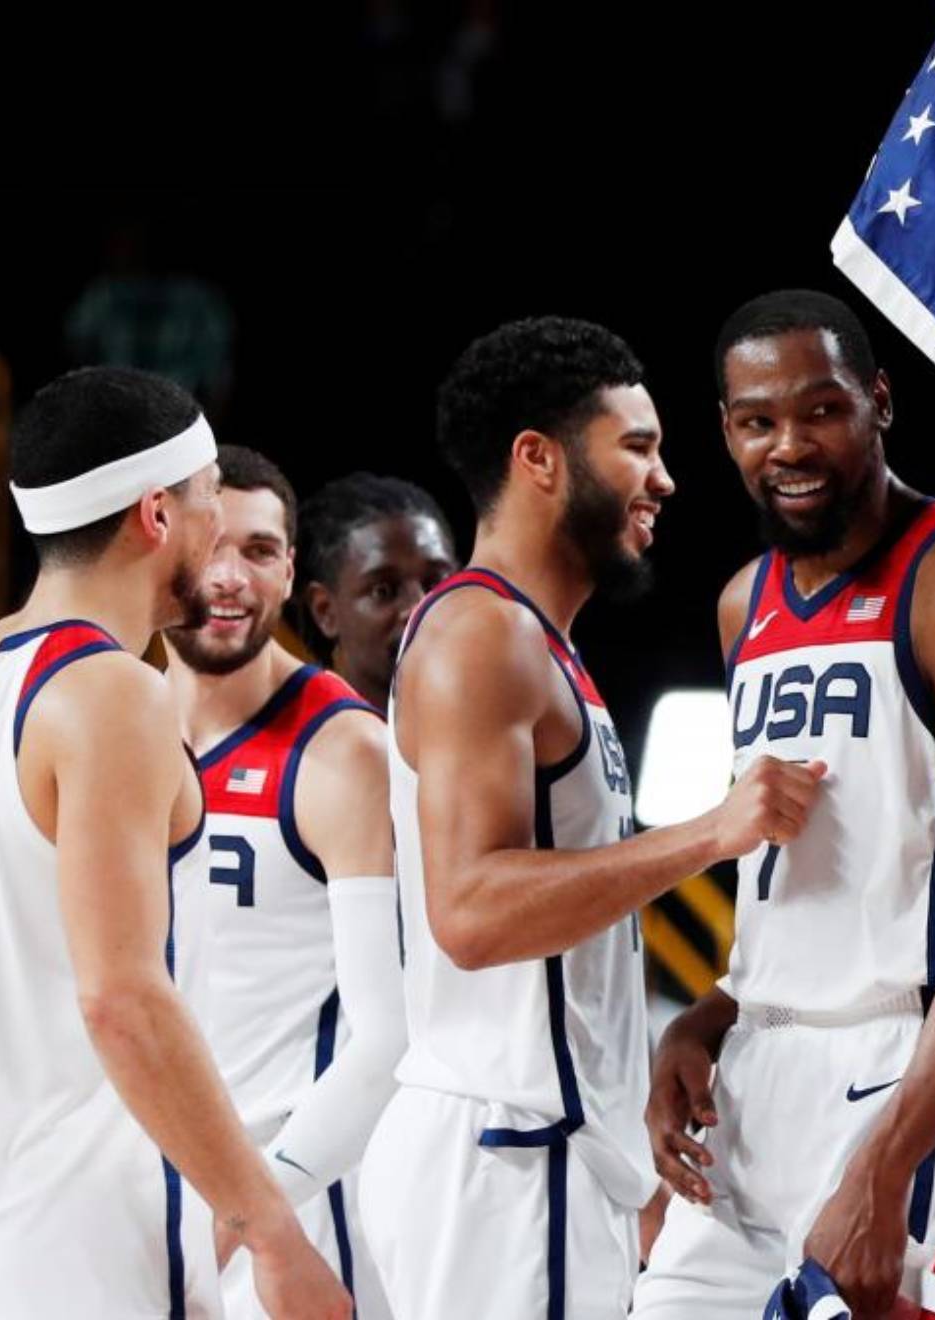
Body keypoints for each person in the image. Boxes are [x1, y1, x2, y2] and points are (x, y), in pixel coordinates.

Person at [360, 317, 822, 1318]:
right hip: (503, 1154)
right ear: (538, 458)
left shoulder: (538, 642)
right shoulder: (480, 634)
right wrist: (712, 831)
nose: (665, 481)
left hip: (538, 1155)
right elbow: (474, 913)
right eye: (638, 447)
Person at [0, 366, 347, 1317]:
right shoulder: (111, 692)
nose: (219, 528)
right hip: (91, 1257)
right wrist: (269, 1223)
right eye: (211, 496)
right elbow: (123, 998)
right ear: (156, 514)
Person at [634, 289, 935, 1318]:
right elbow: (814, 880)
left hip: (907, 1066)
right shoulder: (744, 604)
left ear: (878, 402)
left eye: (820, 409)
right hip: (758, 1070)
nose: (790, 443)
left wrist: (887, 1163)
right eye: (756, 420)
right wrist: (706, 1018)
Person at [161, 445, 405, 1318]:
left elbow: (386, 1041)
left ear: (292, 569)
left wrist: (250, 1210)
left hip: (296, 1214)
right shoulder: (113, 727)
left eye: (260, 552)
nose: (230, 578)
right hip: (142, 1202)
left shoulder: (343, 748)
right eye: (213, 546)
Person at [293, 472, 457, 709]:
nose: (420, 607)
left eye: (436, 584)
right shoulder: (301, 742)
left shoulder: (514, 718)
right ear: (325, 611)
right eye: (384, 591)